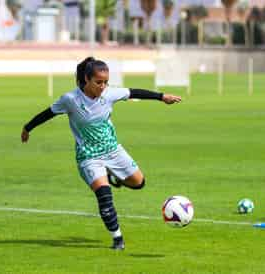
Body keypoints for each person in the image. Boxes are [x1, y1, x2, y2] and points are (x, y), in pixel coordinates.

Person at [21, 57, 181, 250]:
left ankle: (114, 175)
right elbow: (48, 113)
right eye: (98, 82)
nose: (103, 86)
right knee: (104, 196)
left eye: (105, 82)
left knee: (139, 183)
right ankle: (118, 238)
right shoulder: (70, 100)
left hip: (113, 150)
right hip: (89, 157)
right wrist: (28, 128)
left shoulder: (110, 93)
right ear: (86, 80)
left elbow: (134, 92)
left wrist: (162, 97)